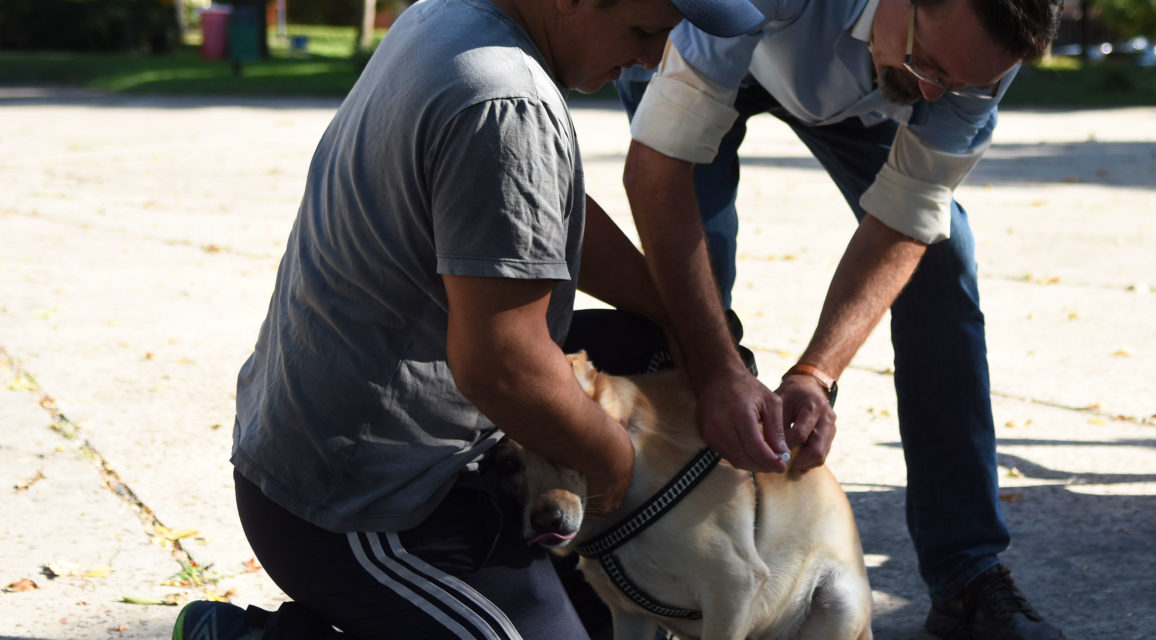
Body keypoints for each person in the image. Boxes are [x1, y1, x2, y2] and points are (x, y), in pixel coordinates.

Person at [169, 0, 766, 636]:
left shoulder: (449, 17)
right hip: (359, 511)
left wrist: (702, 338)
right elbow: (502, 368)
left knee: (650, 343)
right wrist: (611, 455)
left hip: (311, 445)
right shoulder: (507, 102)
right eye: (644, 31)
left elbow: (535, 210)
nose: (652, 58)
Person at [618, 0, 1066, 638]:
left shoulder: (980, 54)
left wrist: (815, 373)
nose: (937, 92)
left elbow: (911, 213)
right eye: (930, 63)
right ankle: (652, 557)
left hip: (852, 79)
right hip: (718, 35)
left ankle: (966, 571)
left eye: (961, 84)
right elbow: (658, 173)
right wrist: (716, 366)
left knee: (943, 257)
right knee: (694, 290)